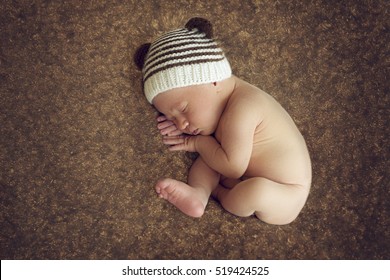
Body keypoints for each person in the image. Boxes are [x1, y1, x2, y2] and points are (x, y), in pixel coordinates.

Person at [134, 18, 312, 225]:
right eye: (171, 116)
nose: (181, 124)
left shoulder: (245, 107)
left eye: (183, 109)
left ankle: (217, 193)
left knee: (253, 188)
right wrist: (180, 123)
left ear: (213, 79)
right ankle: (198, 194)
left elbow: (233, 167)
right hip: (242, 170)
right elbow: (220, 151)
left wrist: (196, 142)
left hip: (284, 195)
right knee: (211, 157)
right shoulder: (218, 102)